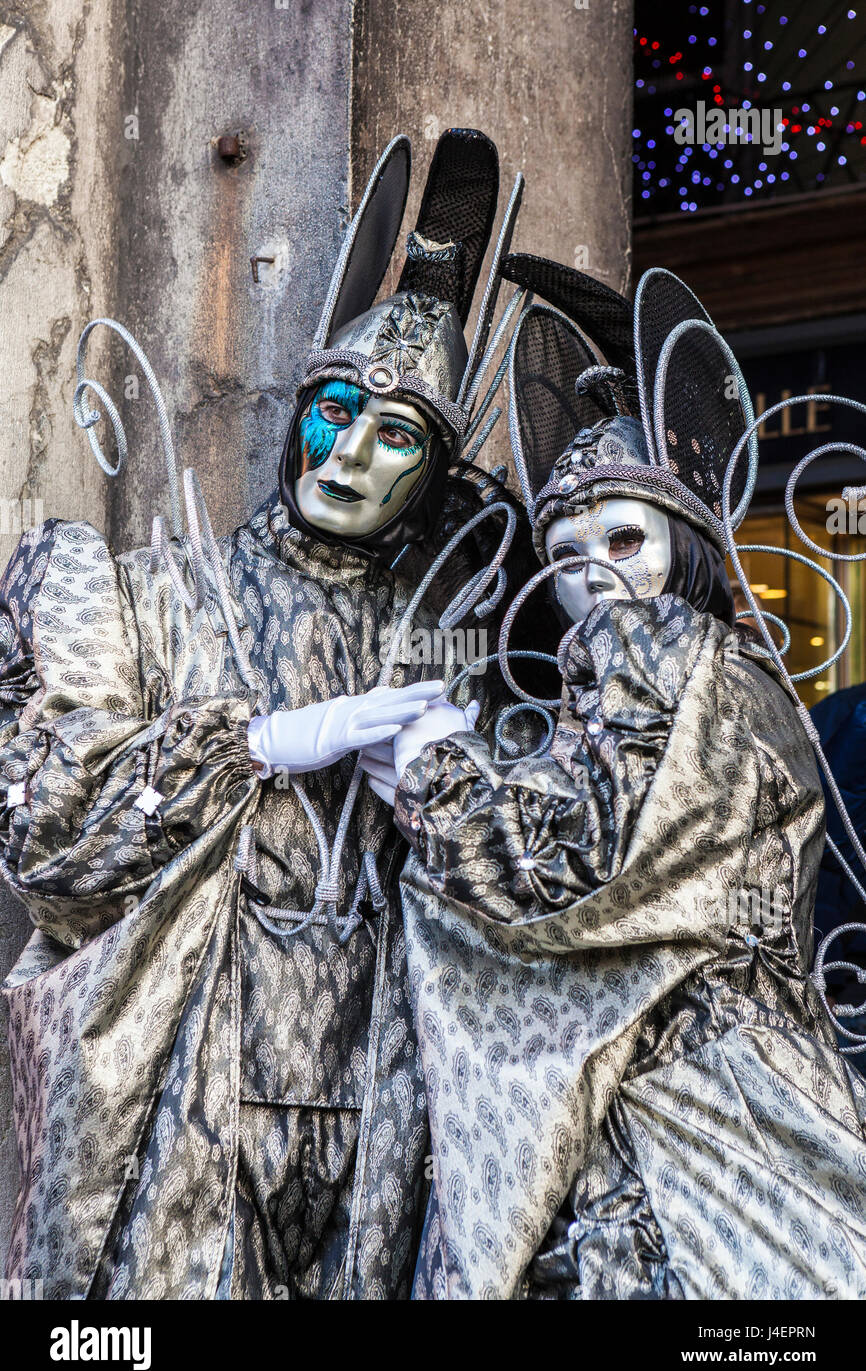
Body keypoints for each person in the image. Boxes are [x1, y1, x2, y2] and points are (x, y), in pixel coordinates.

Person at [0, 129, 517, 1299]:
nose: (346, 452)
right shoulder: (159, 598)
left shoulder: (450, 640)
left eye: (395, 436)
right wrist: (247, 743)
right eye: (334, 408)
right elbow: (50, 842)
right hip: (187, 1086)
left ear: (430, 474)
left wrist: (453, 797)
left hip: (386, 1101)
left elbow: (531, 901)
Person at [368, 265, 866, 1299]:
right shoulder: (745, 679)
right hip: (772, 1099)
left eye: (623, 540)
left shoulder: (657, 649)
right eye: (561, 554)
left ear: (685, 542)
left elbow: (561, 868)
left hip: (671, 1111)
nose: (590, 574)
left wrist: (428, 765)